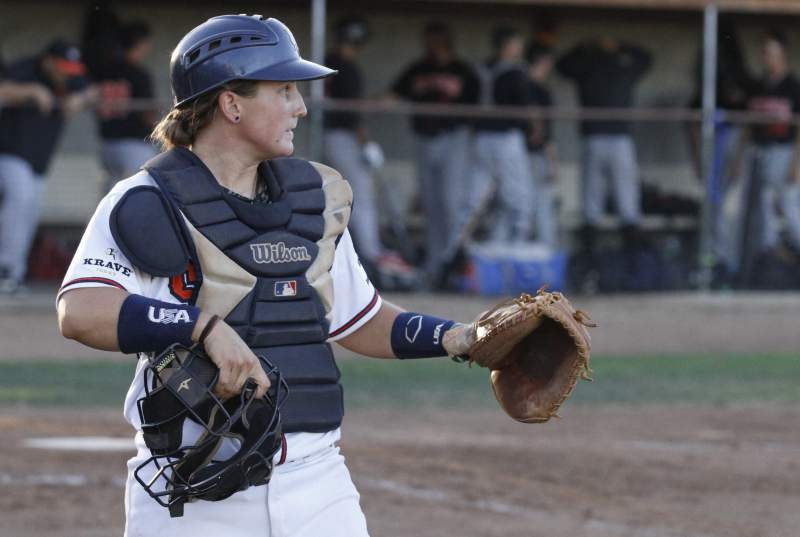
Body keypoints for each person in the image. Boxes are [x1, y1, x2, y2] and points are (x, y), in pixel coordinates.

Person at [56, 14, 478, 536]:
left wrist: (460, 338)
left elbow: (361, 318)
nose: (301, 107)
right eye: (284, 91)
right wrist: (202, 327)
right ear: (231, 104)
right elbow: (81, 311)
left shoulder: (314, 199)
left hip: (319, 482)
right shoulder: (146, 200)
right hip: (195, 487)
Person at [323, 16, 415, 287]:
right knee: (360, 195)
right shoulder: (346, 67)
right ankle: (372, 256)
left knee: (344, 196)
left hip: (333, 136)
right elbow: (353, 115)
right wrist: (366, 144)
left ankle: (364, 253)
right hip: (344, 137)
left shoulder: (329, 60)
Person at [0, 40, 96, 294]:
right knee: (20, 199)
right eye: (62, 68)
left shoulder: (71, 79)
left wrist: (80, 98)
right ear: (48, 61)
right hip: (10, 153)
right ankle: (5, 269)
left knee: (29, 211)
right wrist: (30, 91)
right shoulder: (26, 69)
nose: (67, 74)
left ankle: (12, 274)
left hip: (39, 159)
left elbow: (92, 90)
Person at [389, 22, 480, 280]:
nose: (432, 45)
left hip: (454, 139)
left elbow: (476, 108)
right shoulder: (419, 68)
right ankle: (436, 265)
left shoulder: (462, 70)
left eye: (437, 40)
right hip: (424, 139)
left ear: (447, 41)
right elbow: (395, 93)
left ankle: (458, 264)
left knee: (453, 203)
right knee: (432, 205)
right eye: (429, 40)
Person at [556, 37, 651, 281]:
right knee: (598, 205)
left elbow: (647, 59)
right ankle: (598, 269)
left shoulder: (616, 66)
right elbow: (562, 66)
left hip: (612, 139)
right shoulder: (591, 66)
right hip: (601, 138)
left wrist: (607, 46)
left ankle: (628, 269)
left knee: (622, 203)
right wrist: (603, 46)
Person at [735, 29, 800, 286]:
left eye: (773, 53)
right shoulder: (759, 86)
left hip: (784, 151)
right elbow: (746, 125)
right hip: (759, 151)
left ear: (783, 54)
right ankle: (769, 261)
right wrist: (738, 159)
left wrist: (797, 163)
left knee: (789, 204)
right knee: (762, 208)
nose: (768, 58)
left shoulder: (793, 86)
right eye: (765, 53)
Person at [470, 26, 535, 244]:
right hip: (506, 138)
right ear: (507, 45)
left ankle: (464, 247)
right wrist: (532, 128)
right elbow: (524, 105)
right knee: (518, 195)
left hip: (482, 138)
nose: (519, 49)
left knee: (476, 197)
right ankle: (518, 244)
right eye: (516, 44)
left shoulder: (480, 69)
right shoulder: (515, 71)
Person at [92, 21, 158, 190]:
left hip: (107, 142)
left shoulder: (103, 70)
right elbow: (148, 114)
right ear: (139, 43)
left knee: (112, 193)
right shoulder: (138, 73)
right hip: (134, 143)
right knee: (143, 189)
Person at [525, 42, 558, 248]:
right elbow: (543, 133)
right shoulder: (531, 88)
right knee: (535, 206)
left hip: (526, 154)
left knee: (533, 206)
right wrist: (553, 161)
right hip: (529, 155)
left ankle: (541, 252)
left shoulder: (536, 88)